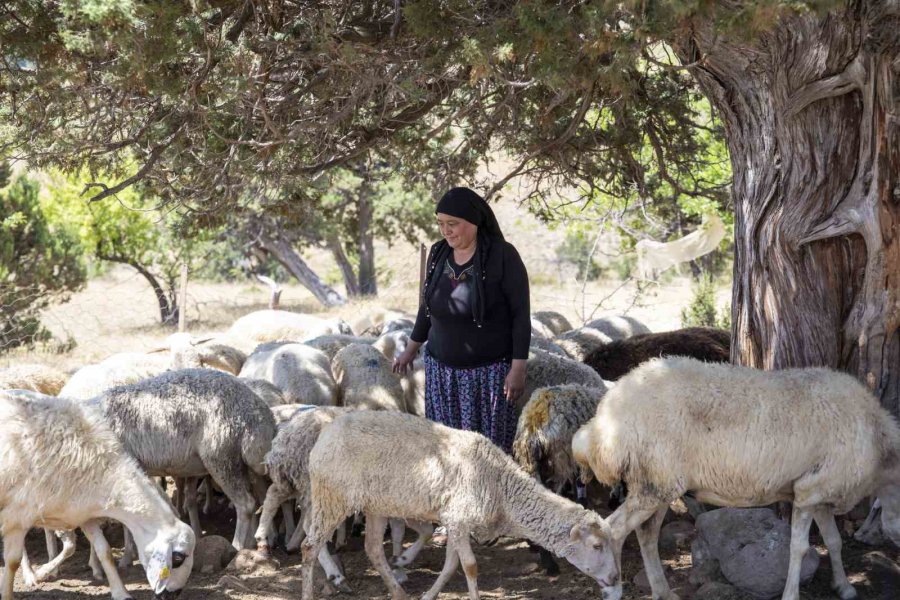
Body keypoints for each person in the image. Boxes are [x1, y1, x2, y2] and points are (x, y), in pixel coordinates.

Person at [392, 186, 530, 455]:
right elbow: (427, 307)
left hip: (489, 377)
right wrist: (410, 350)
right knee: (448, 451)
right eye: (441, 224)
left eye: (453, 224)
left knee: (489, 454)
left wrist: (518, 368)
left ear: (474, 221)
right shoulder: (438, 253)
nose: (446, 231)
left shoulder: (503, 256)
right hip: (442, 375)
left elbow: (520, 316)